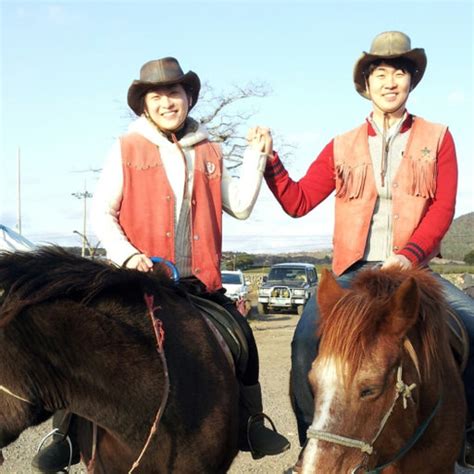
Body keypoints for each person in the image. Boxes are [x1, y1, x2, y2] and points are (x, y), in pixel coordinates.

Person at [32, 57, 289, 472]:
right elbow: (102, 214)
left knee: (241, 336)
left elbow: (240, 206)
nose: (167, 102)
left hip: (196, 285)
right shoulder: (126, 148)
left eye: (174, 92)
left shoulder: (210, 150)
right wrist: (128, 256)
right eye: (157, 96)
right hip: (137, 283)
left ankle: (250, 422)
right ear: (145, 105)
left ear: (188, 97)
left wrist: (256, 156)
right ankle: (63, 434)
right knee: (86, 343)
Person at [261, 31, 474, 465]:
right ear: (366, 83)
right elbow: (298, 201)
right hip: (352, 272)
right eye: (381, 73)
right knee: (304, 344)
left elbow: (443, 208)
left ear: (411, 80)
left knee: (472, 324)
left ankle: (467, 433)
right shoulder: (342, 143)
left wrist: (410, 256)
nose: (390, 81)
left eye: (400, 72)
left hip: (412, 271)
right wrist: (270, 163)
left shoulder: (439, 137)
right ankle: (312, 446)